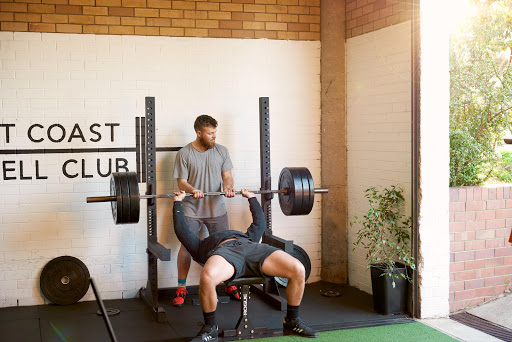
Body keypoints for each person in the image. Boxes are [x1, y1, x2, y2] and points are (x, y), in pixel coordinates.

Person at [173, 189, 318, 342]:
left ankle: (292, 320)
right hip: (224, 252)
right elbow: (182, 230)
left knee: (298, 269)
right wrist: (177, 202)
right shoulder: (201, 246)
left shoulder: (249, 236)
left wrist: (252, 197)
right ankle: (210, 328)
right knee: (208, 277)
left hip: (251, 248)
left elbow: (260, 224)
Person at [172, 115, 238, 307]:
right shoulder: (185, 153)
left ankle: (228, 283)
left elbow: (227, 176)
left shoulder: (221, 151)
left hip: (216, 208)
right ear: (199, 133)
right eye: (210, 133)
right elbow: (181, 182)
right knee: (186, 246)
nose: (214, 136)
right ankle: (181, 287)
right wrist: (193, 190)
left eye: (215, 133)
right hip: (191, 208)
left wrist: (228, 186)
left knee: (226, 246)